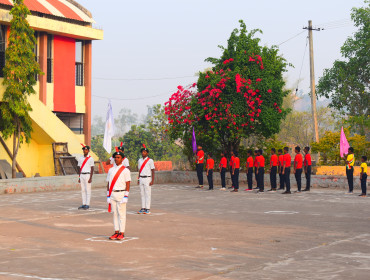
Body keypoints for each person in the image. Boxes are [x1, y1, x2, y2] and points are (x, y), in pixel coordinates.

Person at [106, 149, 131, 240]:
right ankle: (116, 231)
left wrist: (126, 196)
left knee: (122, 214)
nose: (116, 159)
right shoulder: (111, 170)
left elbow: (128, 183)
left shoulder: (125, 170)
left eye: (118, 157)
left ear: (122, 159)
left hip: (121, 193)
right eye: (115, 157)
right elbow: (108, 183)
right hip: (112, 194)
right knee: (115, 214)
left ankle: (122, 232)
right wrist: (108, 195)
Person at [137, 144, 155, 214]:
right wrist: (138, 179)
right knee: (142, 194)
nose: (143, 153)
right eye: (142, 152)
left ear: (147, 153)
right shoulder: (139, 160)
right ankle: (143, 207)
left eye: (144, 152)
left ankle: (147, 208)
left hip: (147, 178)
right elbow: (139, 170)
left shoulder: (150, 160)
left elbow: (153, 171)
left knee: (147, 194)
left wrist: (152, 180)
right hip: (141, 178)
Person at [77, 144, 95, 210]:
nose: (85, 151)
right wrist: (79, 177)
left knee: (88, 190)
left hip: (88, 174)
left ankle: (87, 204)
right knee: (83, 190)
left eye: (86, 150)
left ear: (88, 151)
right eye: (84, 150)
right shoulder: (80, 158)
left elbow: (92, 168)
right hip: (82, 175)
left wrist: (90, 178)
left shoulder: (91, 158)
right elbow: (79, 168)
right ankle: (84, 203)